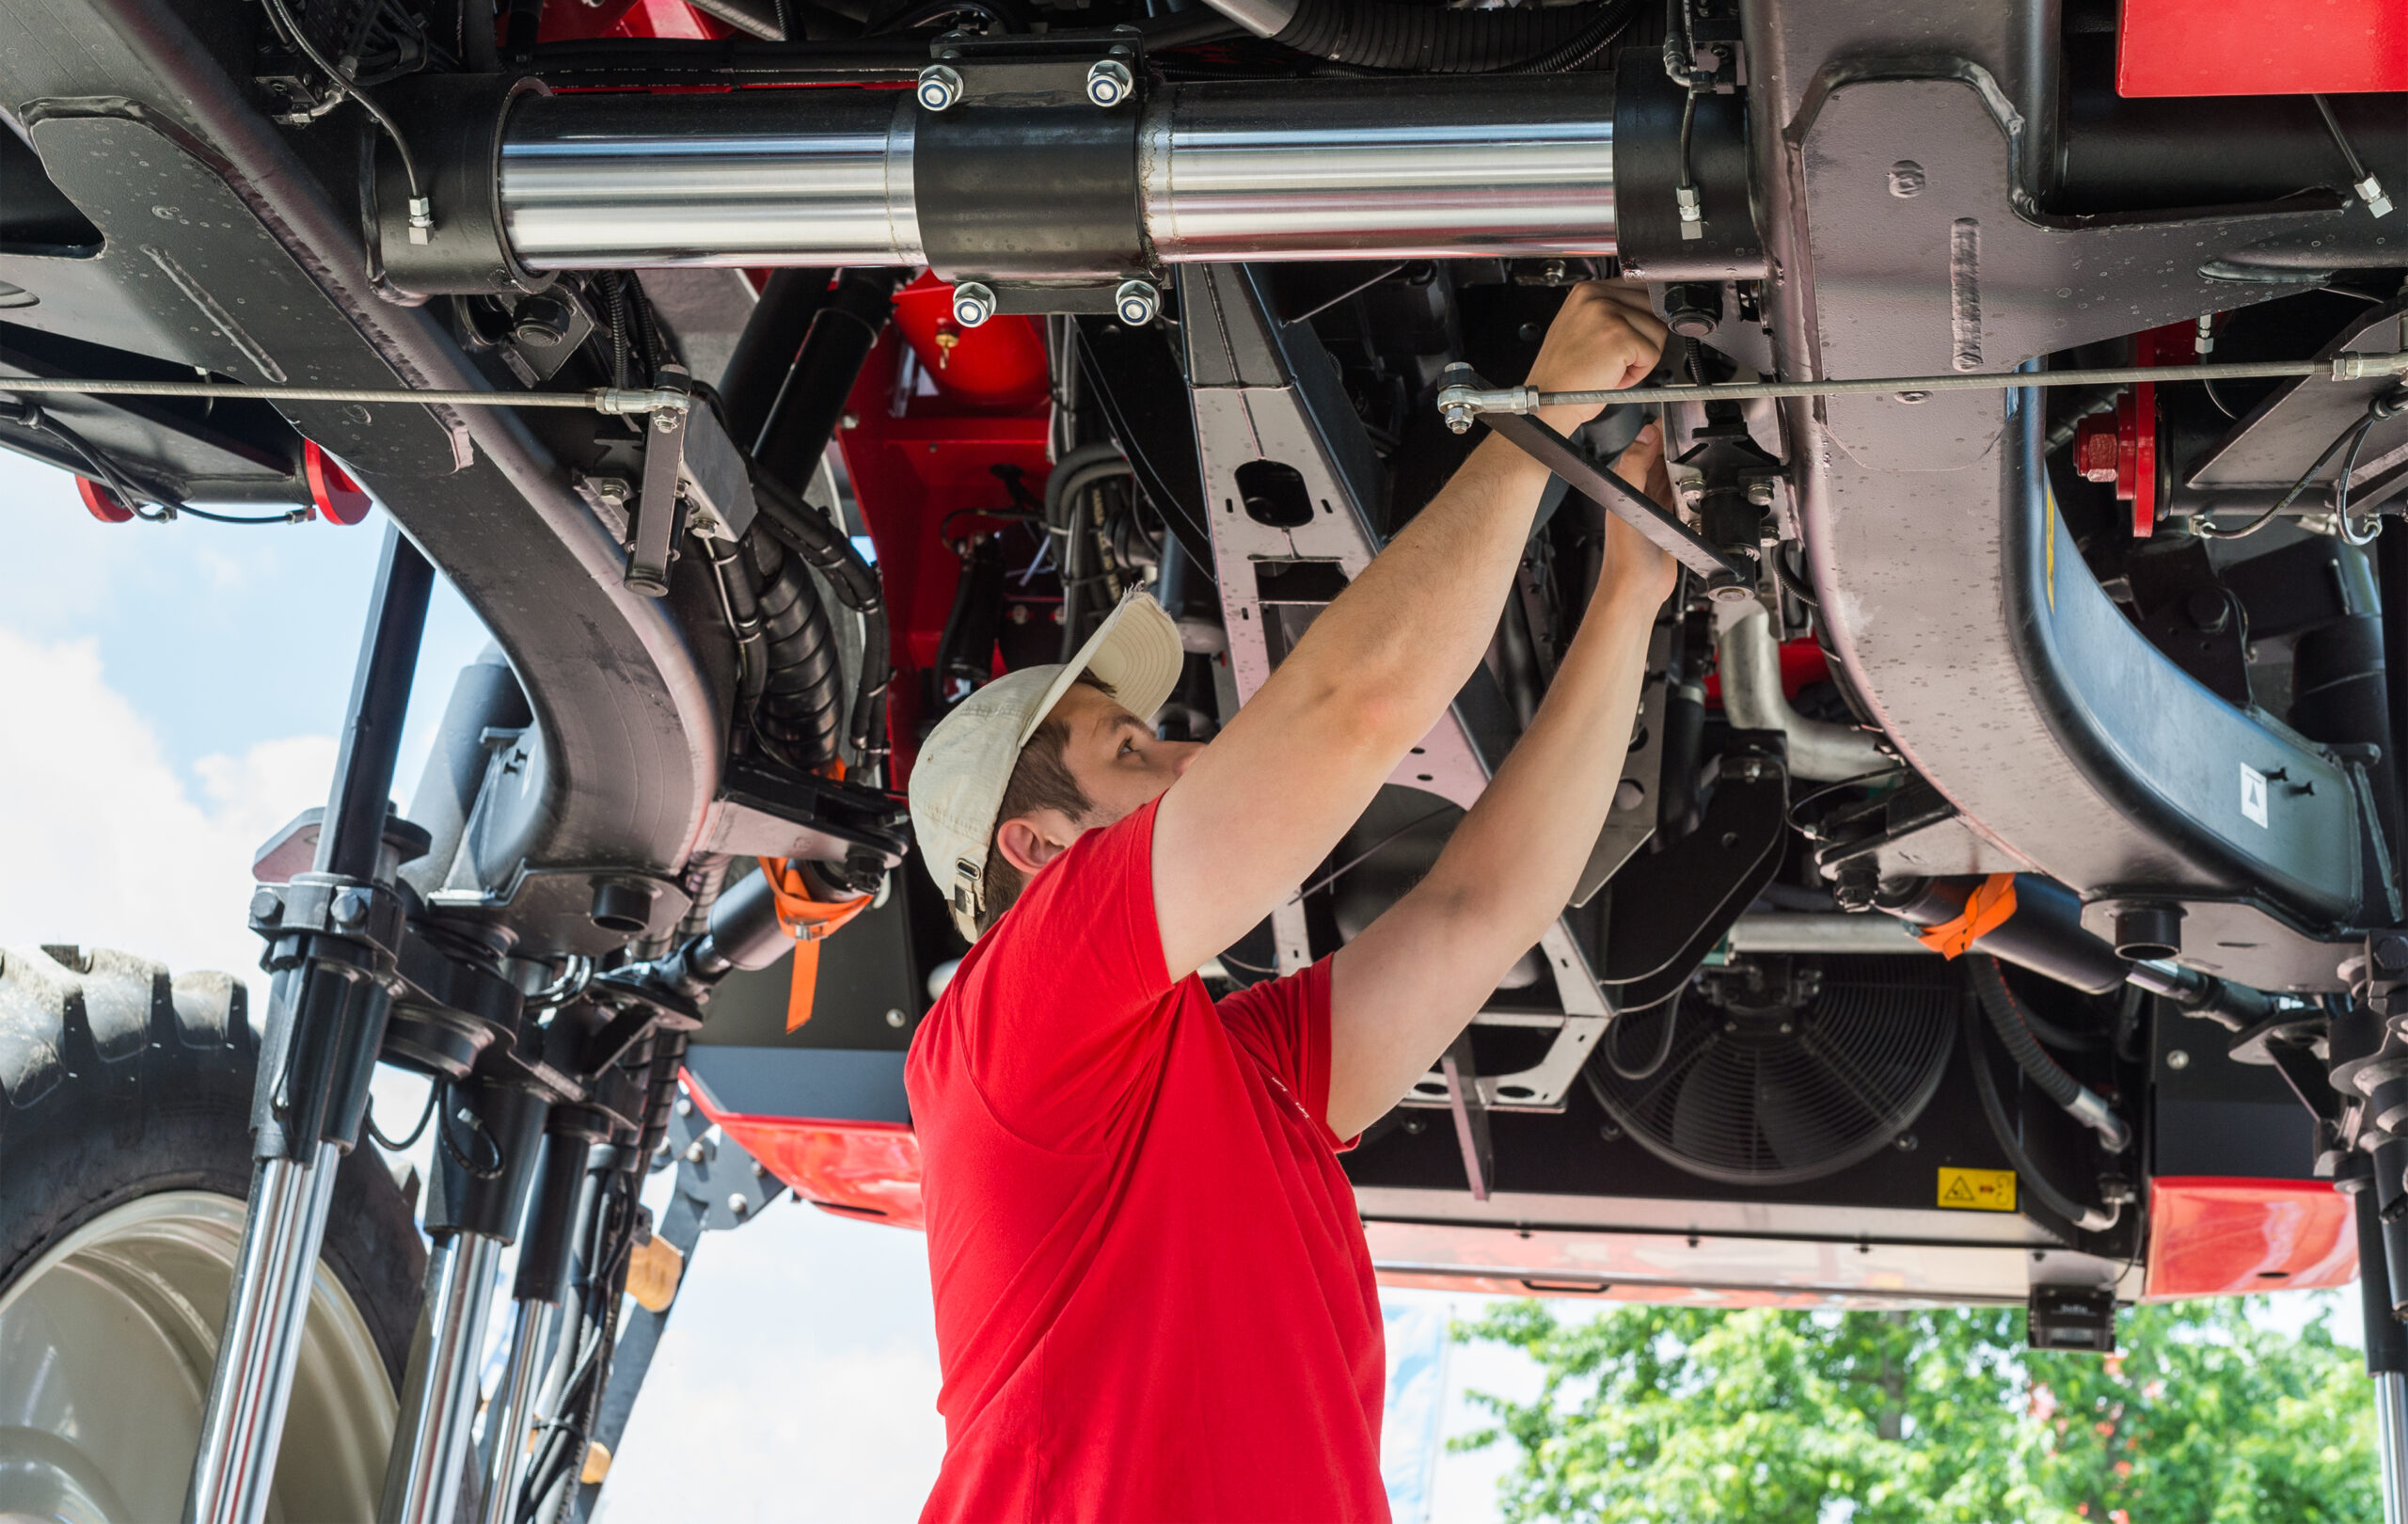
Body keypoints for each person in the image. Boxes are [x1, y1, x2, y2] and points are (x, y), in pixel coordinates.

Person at [903, 282, 1676, 1522]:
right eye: (1133, 754)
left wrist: (1611, 562)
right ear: (1033, 849)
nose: (1191, 762)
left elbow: (1473, 897)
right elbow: (1367, 739)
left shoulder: (1216, 1071)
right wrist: (1550, 433)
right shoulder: (1011, 1015)